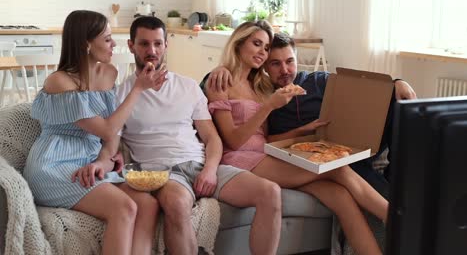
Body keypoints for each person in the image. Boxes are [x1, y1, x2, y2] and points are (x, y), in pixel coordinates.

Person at [204, 20, 389, 255]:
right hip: (241, 161)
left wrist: (301, 132)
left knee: (341, 197)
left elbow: (265, 138)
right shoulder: (221, 82)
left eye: (265, 47)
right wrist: (268, 106)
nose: (261, 51)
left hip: (264, 155)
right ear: (239, 44)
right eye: (256, 44)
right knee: (337, 169)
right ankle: (400, 221)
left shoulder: (259, 85)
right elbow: (234, 141)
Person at [116, 16, 281, 255]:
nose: (151, 50)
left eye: (158, 43)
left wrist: (210, 170)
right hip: (165, 173)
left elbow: (212, 138)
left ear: (166, 45)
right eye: (143, 44)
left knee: (270, 192)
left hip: (201, 164)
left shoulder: (188, 86)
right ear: (131, 46)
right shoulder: (121, 94)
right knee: (177, 203)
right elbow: (110, 140)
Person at [205, 32, 417, 199]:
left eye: (290, 61)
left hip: (343, 149)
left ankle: (398, 178)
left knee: (397, 102)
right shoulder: (262, 93)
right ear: (265, 67)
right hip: (307, 159)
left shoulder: (318, 81)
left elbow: (364, 88)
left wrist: (398, 82)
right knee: (362, 186)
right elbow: (227, 83)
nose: (285, 70)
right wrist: (220, 68)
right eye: (275, 64)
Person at [23, 10, 166, 255]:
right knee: (124, 208)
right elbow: (107, 127)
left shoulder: (109, 73)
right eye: (107, 39)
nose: (114, 44)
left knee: (148, 204)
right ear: (86, 44)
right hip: (54, 165)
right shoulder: (59, 81)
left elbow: (114, 134)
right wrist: (138, 89)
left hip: (88, 162)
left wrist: (103, 159)